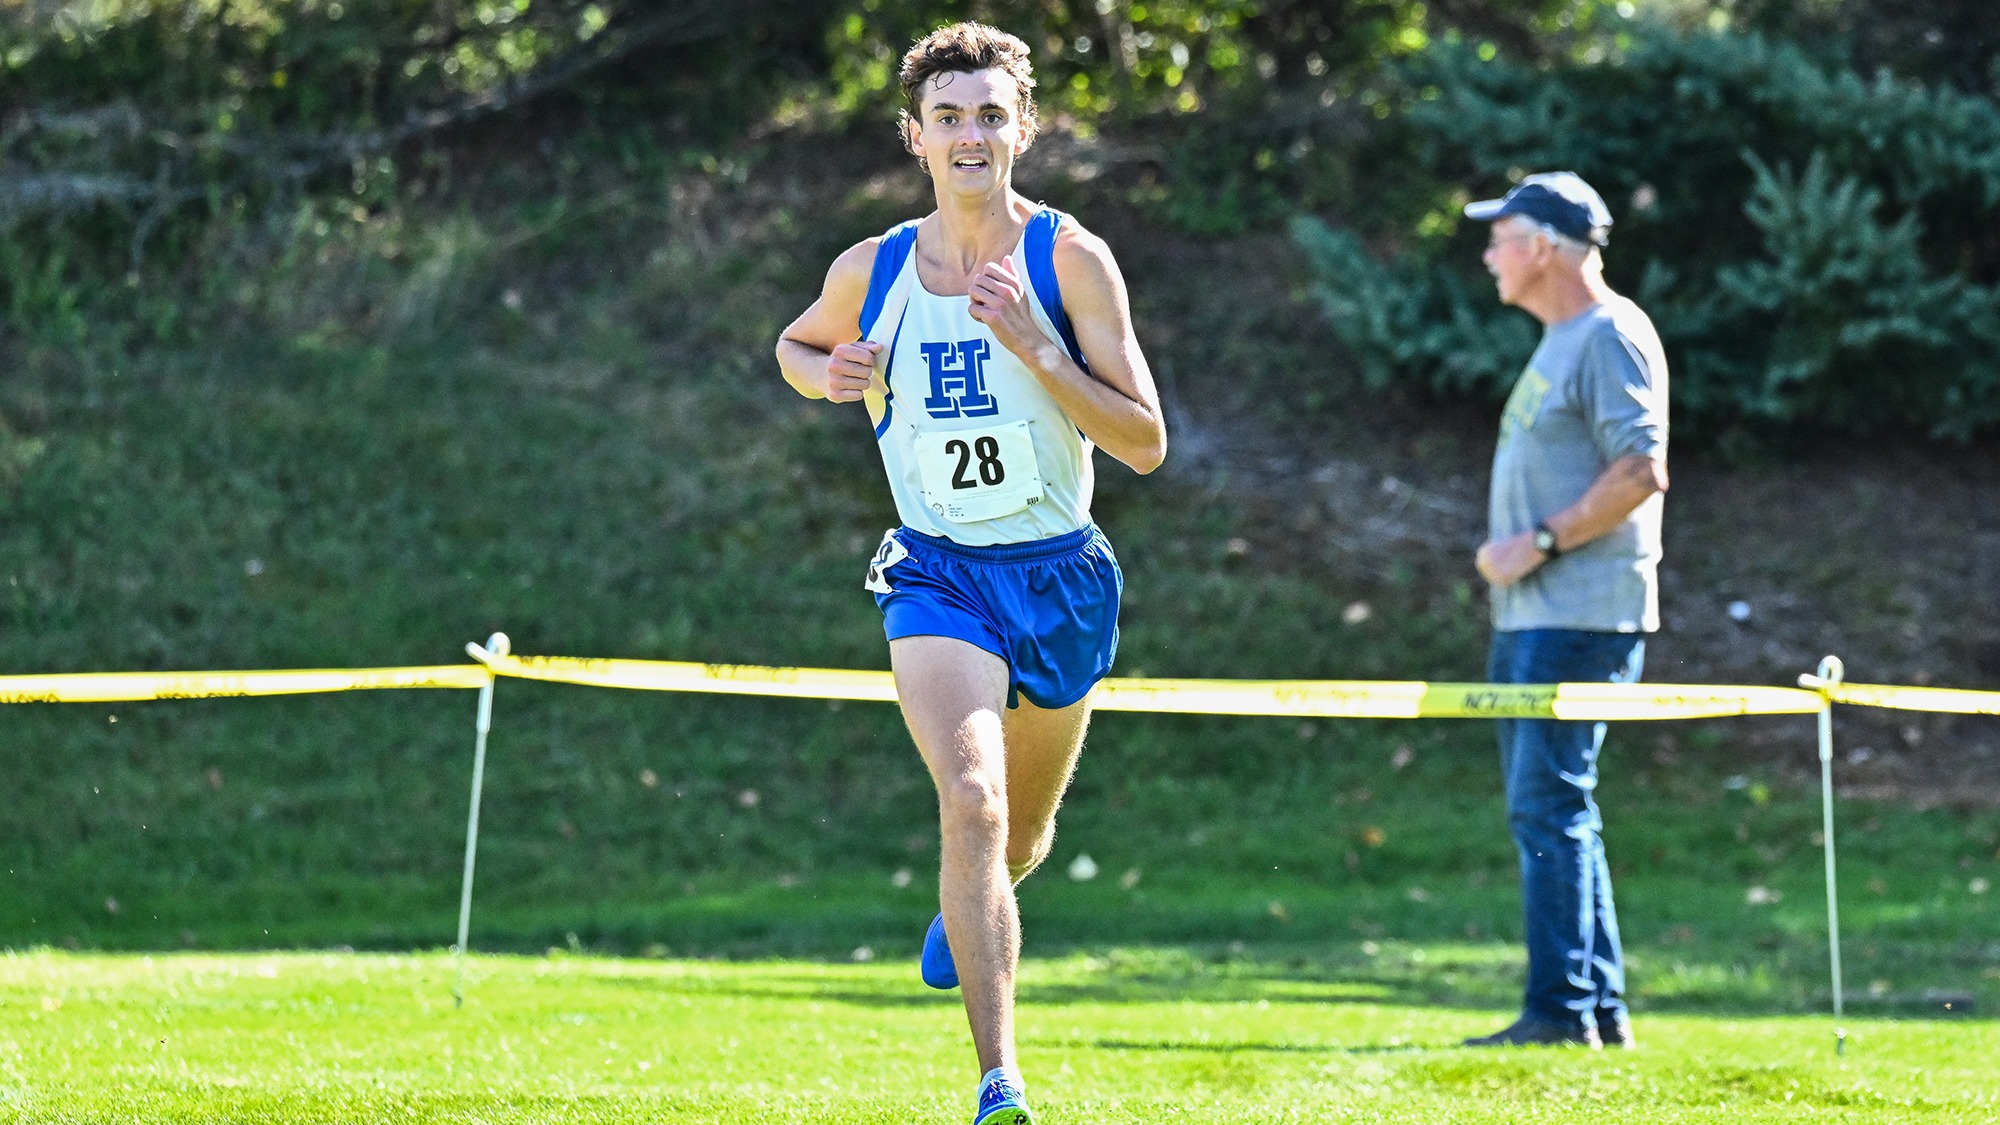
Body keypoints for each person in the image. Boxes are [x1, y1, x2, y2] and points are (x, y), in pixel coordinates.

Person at [774, 22, 1166, 1124]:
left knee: (1023, 834)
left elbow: (1143, 443)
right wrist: (830, 376)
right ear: (914, 134)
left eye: (990, 114)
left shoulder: (1068, 260)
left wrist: (1041, 349)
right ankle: (999, 1083)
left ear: (1023, 129)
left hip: (1059, 575)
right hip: (938, 572)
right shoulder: (875, 267)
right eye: (947, 116)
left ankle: (969, 908)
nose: (968, 135)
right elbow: (793, 348)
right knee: (973, 802)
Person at [1458, 172, 1669, 1050]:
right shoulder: (1564, 337)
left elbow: (1640, 469)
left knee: (1548, 809)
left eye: (1500, 237)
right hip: (1537, 619)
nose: (1488, 254)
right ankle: (1598, 1008)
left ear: (1543, 246)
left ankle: (1559, 1012)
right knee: (1557, 808)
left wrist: (1534, 544)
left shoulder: (1611, 332)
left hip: (1577, 615)